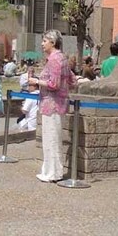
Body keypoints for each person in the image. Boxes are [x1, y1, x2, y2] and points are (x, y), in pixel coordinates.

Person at [30, 31, 76, 183]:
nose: (42, 44)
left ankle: (52, 173)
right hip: (58, 104)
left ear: (53, 42)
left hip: (52, 104)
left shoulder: (54, 59)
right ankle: (52, 171)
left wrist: (36, 81)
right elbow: (72, 80)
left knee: (51, 139)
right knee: (53, 138)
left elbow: (53, 84)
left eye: (45, 41)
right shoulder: (62, 58)